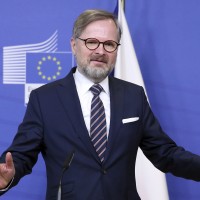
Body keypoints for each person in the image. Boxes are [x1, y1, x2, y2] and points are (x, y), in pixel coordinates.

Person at [0, 9, 200, 200]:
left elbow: (164, 153)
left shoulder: (133, 95)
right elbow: (21, 155)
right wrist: (7, 176)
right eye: (91, 42)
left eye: (109, 44)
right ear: (73, 44)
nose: (100, 51)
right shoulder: (44, 99)